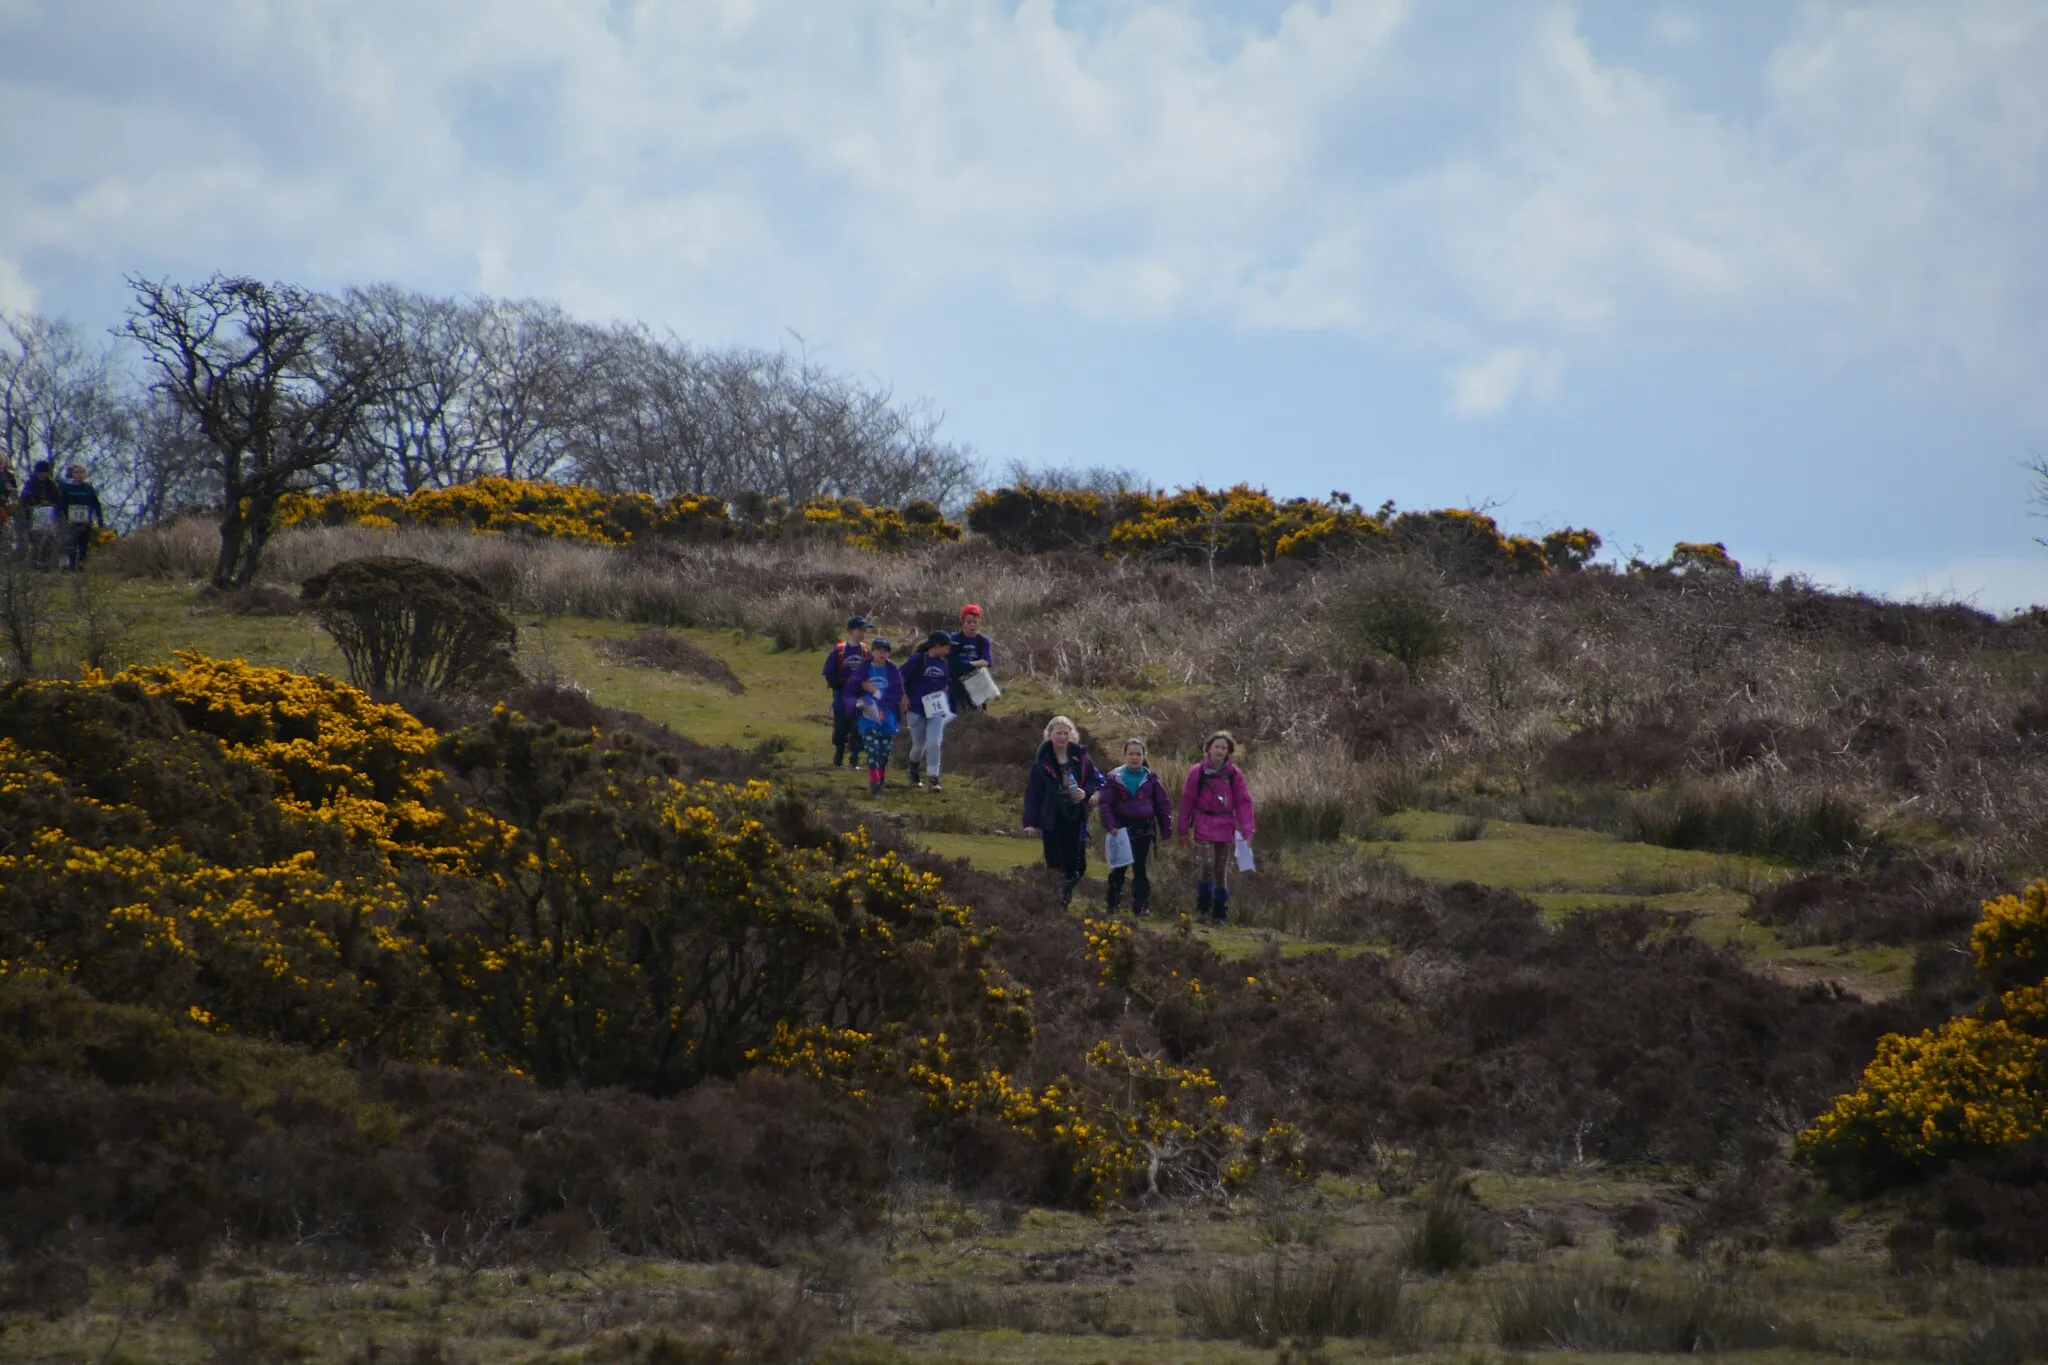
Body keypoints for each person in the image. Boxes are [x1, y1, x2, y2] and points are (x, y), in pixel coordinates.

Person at [1176, 730, 1256, 925]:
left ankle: (1220, 914)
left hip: (1225, 826)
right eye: (1216, 746)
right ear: (1209, 749)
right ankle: (1202, 909)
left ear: (1228, 751)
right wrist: (1183, 830)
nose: (1220, 750)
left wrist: (1247, 830)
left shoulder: (1234, 774)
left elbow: (1243, 802)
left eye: (1224, 747)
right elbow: (1187, 800)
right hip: (1203, 823)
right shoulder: (1197, 772)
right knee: (1206, 865)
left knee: (1220, 870)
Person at [1023, 714, 1102, 908]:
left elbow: (1093, 780)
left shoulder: (1081, 758)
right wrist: (1030, 822)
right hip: (1051, 818)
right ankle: (1056, 902)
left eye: (1066, 733)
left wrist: (1087, 792)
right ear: (1049, 735)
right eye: (1058, 733)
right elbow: (1033, 794)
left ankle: (1064, 895)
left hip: (1074, 817)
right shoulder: (1041, 762)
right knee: (1054, 862)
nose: (1062, 737)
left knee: (1074, 864)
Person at [1098, 738, 1173, 917]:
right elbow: (1105, 804)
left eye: (1138, 754)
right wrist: (1111, 825)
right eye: (1131, 754)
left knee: (1140, 869)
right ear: (1124, 755)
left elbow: (1163, 805)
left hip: (1144, 830)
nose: (1134, 757)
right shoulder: (1114, 778)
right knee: (1119, 869)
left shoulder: (1151, 779)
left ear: (1143, 756)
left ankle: (1141, 906)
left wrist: (1166, 829)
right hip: (1121, 830)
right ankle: (1113, 905)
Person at [843, 635, 906, 796]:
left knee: (884, 753)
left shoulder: (893, 671)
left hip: (888, 716)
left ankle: (881, 779)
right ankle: (875, 781)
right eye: (878, 650)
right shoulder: (863, 669)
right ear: (872, 652)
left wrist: (875, 691)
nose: (882, 654)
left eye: (885, 651)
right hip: (868, 716)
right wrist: (854, 705)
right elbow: (850, 691)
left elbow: (896, 695)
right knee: (872, 749)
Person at [902, 631, 955, 792]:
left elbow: (947, 682)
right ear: (936, 646)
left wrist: (944, 692)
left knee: (934, 742)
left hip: (935, 710)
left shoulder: (945, 663)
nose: (948, 651)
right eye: (946, 648)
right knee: (919, 746)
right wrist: (904, 697)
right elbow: (900, 677)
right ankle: (913, 771)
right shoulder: (918, 659)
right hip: (916, 708)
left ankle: (934, 778)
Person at [822, 616, 872, 767]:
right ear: (850, 631)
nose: (863, 633)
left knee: (857, 728)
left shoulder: (866, 650)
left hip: (860, 696)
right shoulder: (839, 650)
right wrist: (839, 683)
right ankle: (838, 754)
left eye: (864, 630)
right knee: (841, 727)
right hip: (841, 696)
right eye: (860, 630)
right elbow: (829, 673)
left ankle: (855, 759)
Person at [56, 464, 104, 572]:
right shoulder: (67, 488)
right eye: (76, 472)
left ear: (85, 474)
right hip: (71, 521)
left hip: (85, 520)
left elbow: (96, 504)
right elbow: (61, 503)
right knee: (72, 542)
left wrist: (100, 520)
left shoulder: (89, 488)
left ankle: (81, 564)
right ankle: (72, 564)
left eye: (81, 472)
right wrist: (57, 517)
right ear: (72, 474)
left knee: (83, 543)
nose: (79, 475)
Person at [948, 603, 995, 714]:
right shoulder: (954, 639)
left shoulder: (983, 641)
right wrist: (974, 664)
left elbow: (986, 662)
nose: (972, 625)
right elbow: (952, 663)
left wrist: (967, 664)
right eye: (969, 622)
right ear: (963, 622)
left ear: (979, 623)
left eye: (975, 622)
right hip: (957, 681)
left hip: (977, 680)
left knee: (978, 713)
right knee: (956, 713)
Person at [18, 460, 60, 571]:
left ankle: (45, 564)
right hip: (33, 516)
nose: (42, 475)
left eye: (44, 473)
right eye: (40, 473)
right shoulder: (30, 483)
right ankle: (34, 564)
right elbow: (23, 500)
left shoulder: (51, 484)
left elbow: (57, 499)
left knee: (49, 541)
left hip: (48, 516)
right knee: (35, 542)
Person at [0, 457, 16, 559]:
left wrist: (10, 488)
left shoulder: (9, 476)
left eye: (2, 460)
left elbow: (15, 489)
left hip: (3, 506)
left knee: (2, 530)